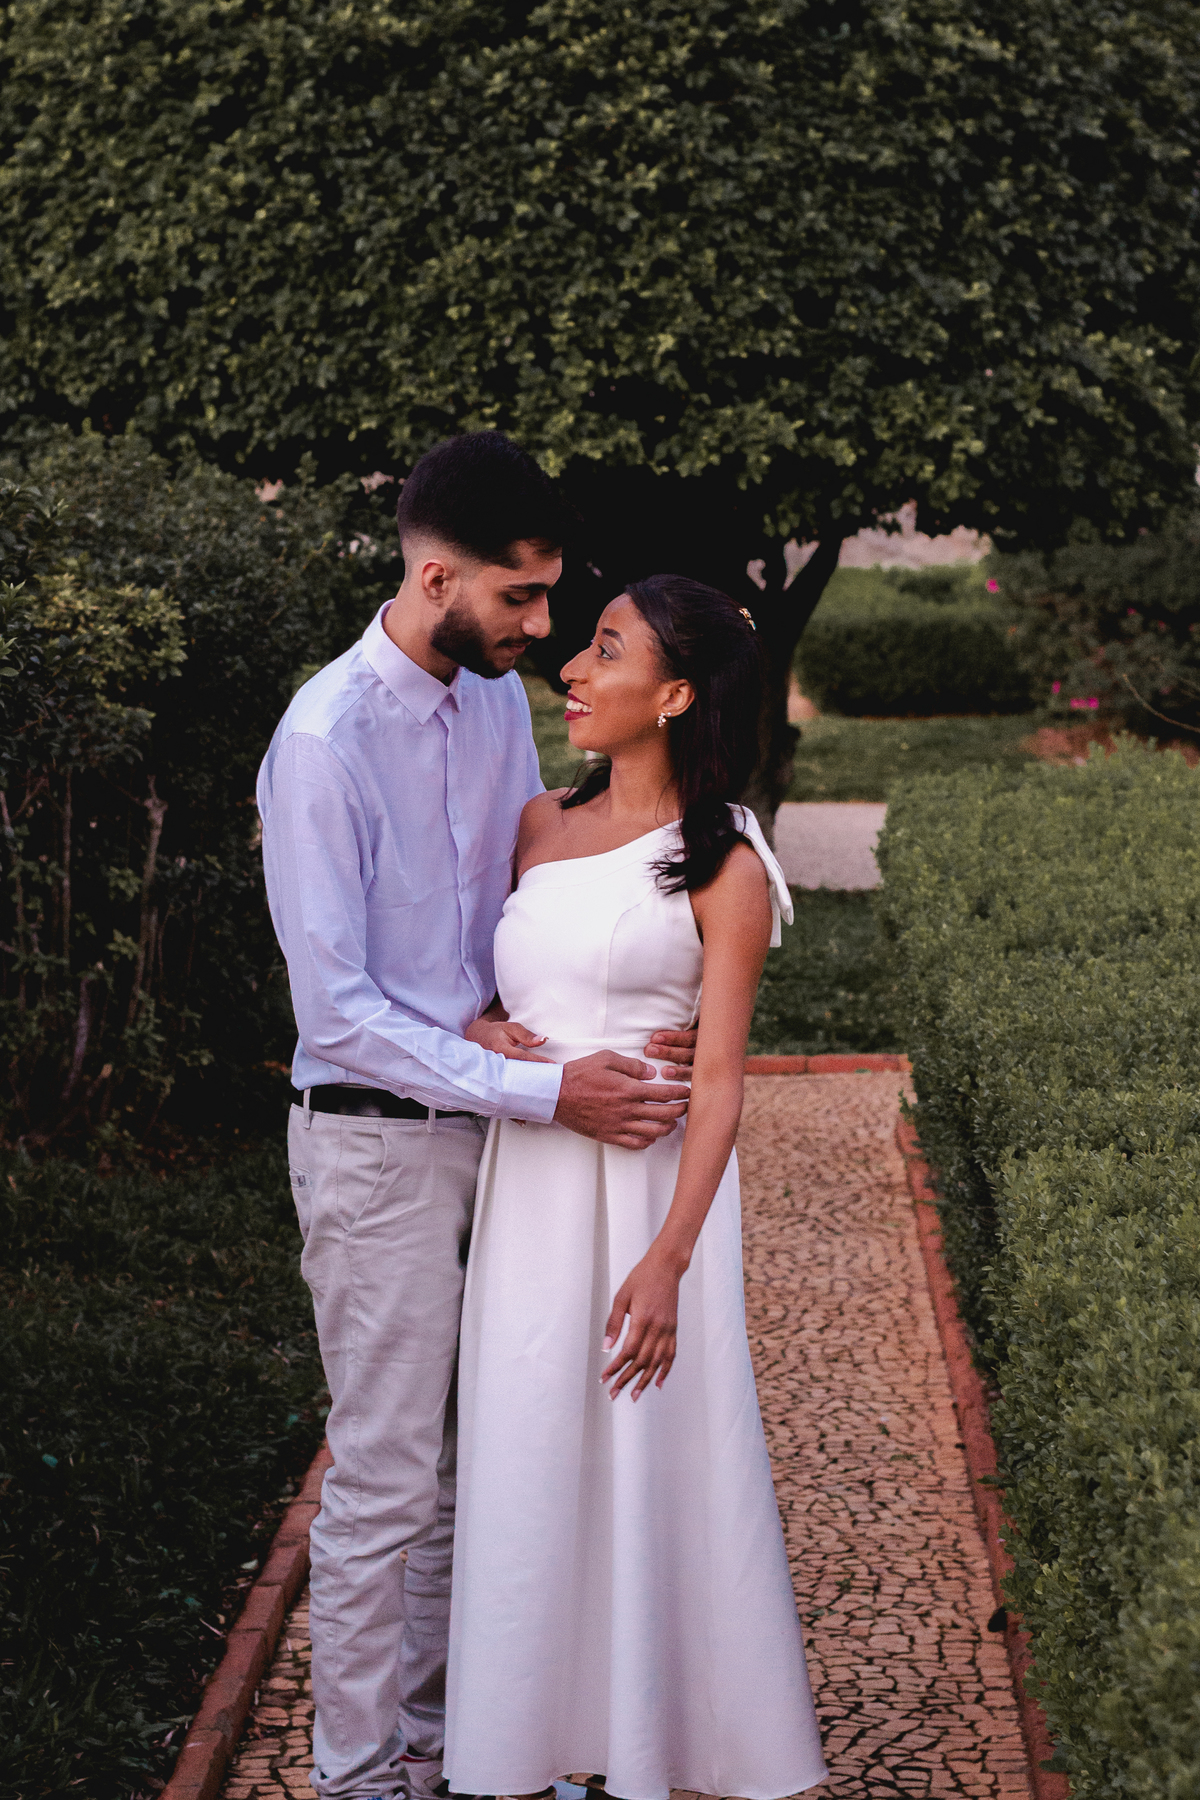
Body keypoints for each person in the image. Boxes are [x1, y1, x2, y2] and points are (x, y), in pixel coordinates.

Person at [256, 434, 698, 1800]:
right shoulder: (322, 743)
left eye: (551, 595)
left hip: (502, 1131)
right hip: (376, 1143)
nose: (544, 627)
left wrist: (646, 1000)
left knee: (484, 1461)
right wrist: (542, 1083)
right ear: (437, 576)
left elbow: (529, 893)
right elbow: (337, 1012)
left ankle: (454, 1745)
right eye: (521, 596)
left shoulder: (496, 702)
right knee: (389, 1476)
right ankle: (356, 1775)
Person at [444, 575, 828, 1800]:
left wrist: (669, 1258)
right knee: (530, 1449)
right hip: (532, 1190)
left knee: (654, 1460)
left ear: (672, 695)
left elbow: (719, 1085)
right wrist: (485, 1031)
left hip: (649, 1200)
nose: (572, 669)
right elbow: (496, 992)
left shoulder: (724, 864)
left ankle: (655, 1748)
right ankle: (531, 1747)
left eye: (605, 649)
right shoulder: (536, 825)